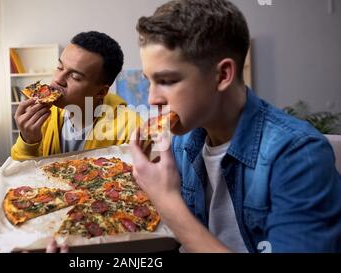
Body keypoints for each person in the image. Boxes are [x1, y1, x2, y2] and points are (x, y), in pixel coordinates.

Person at [129, 0, 341, 252]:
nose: (153, 99)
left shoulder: (298, 154)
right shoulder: (183, 140)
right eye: (149, 82)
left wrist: (167, 201)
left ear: (223, 75)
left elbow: (177, 219)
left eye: (166, 80)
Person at [11, 31, 141, 160]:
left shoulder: (132, 128)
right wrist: (28, 141)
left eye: (75, 76)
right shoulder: (43, 117)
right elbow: (21, 175)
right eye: (59, 67)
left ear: (101, 92)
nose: (58, 79)